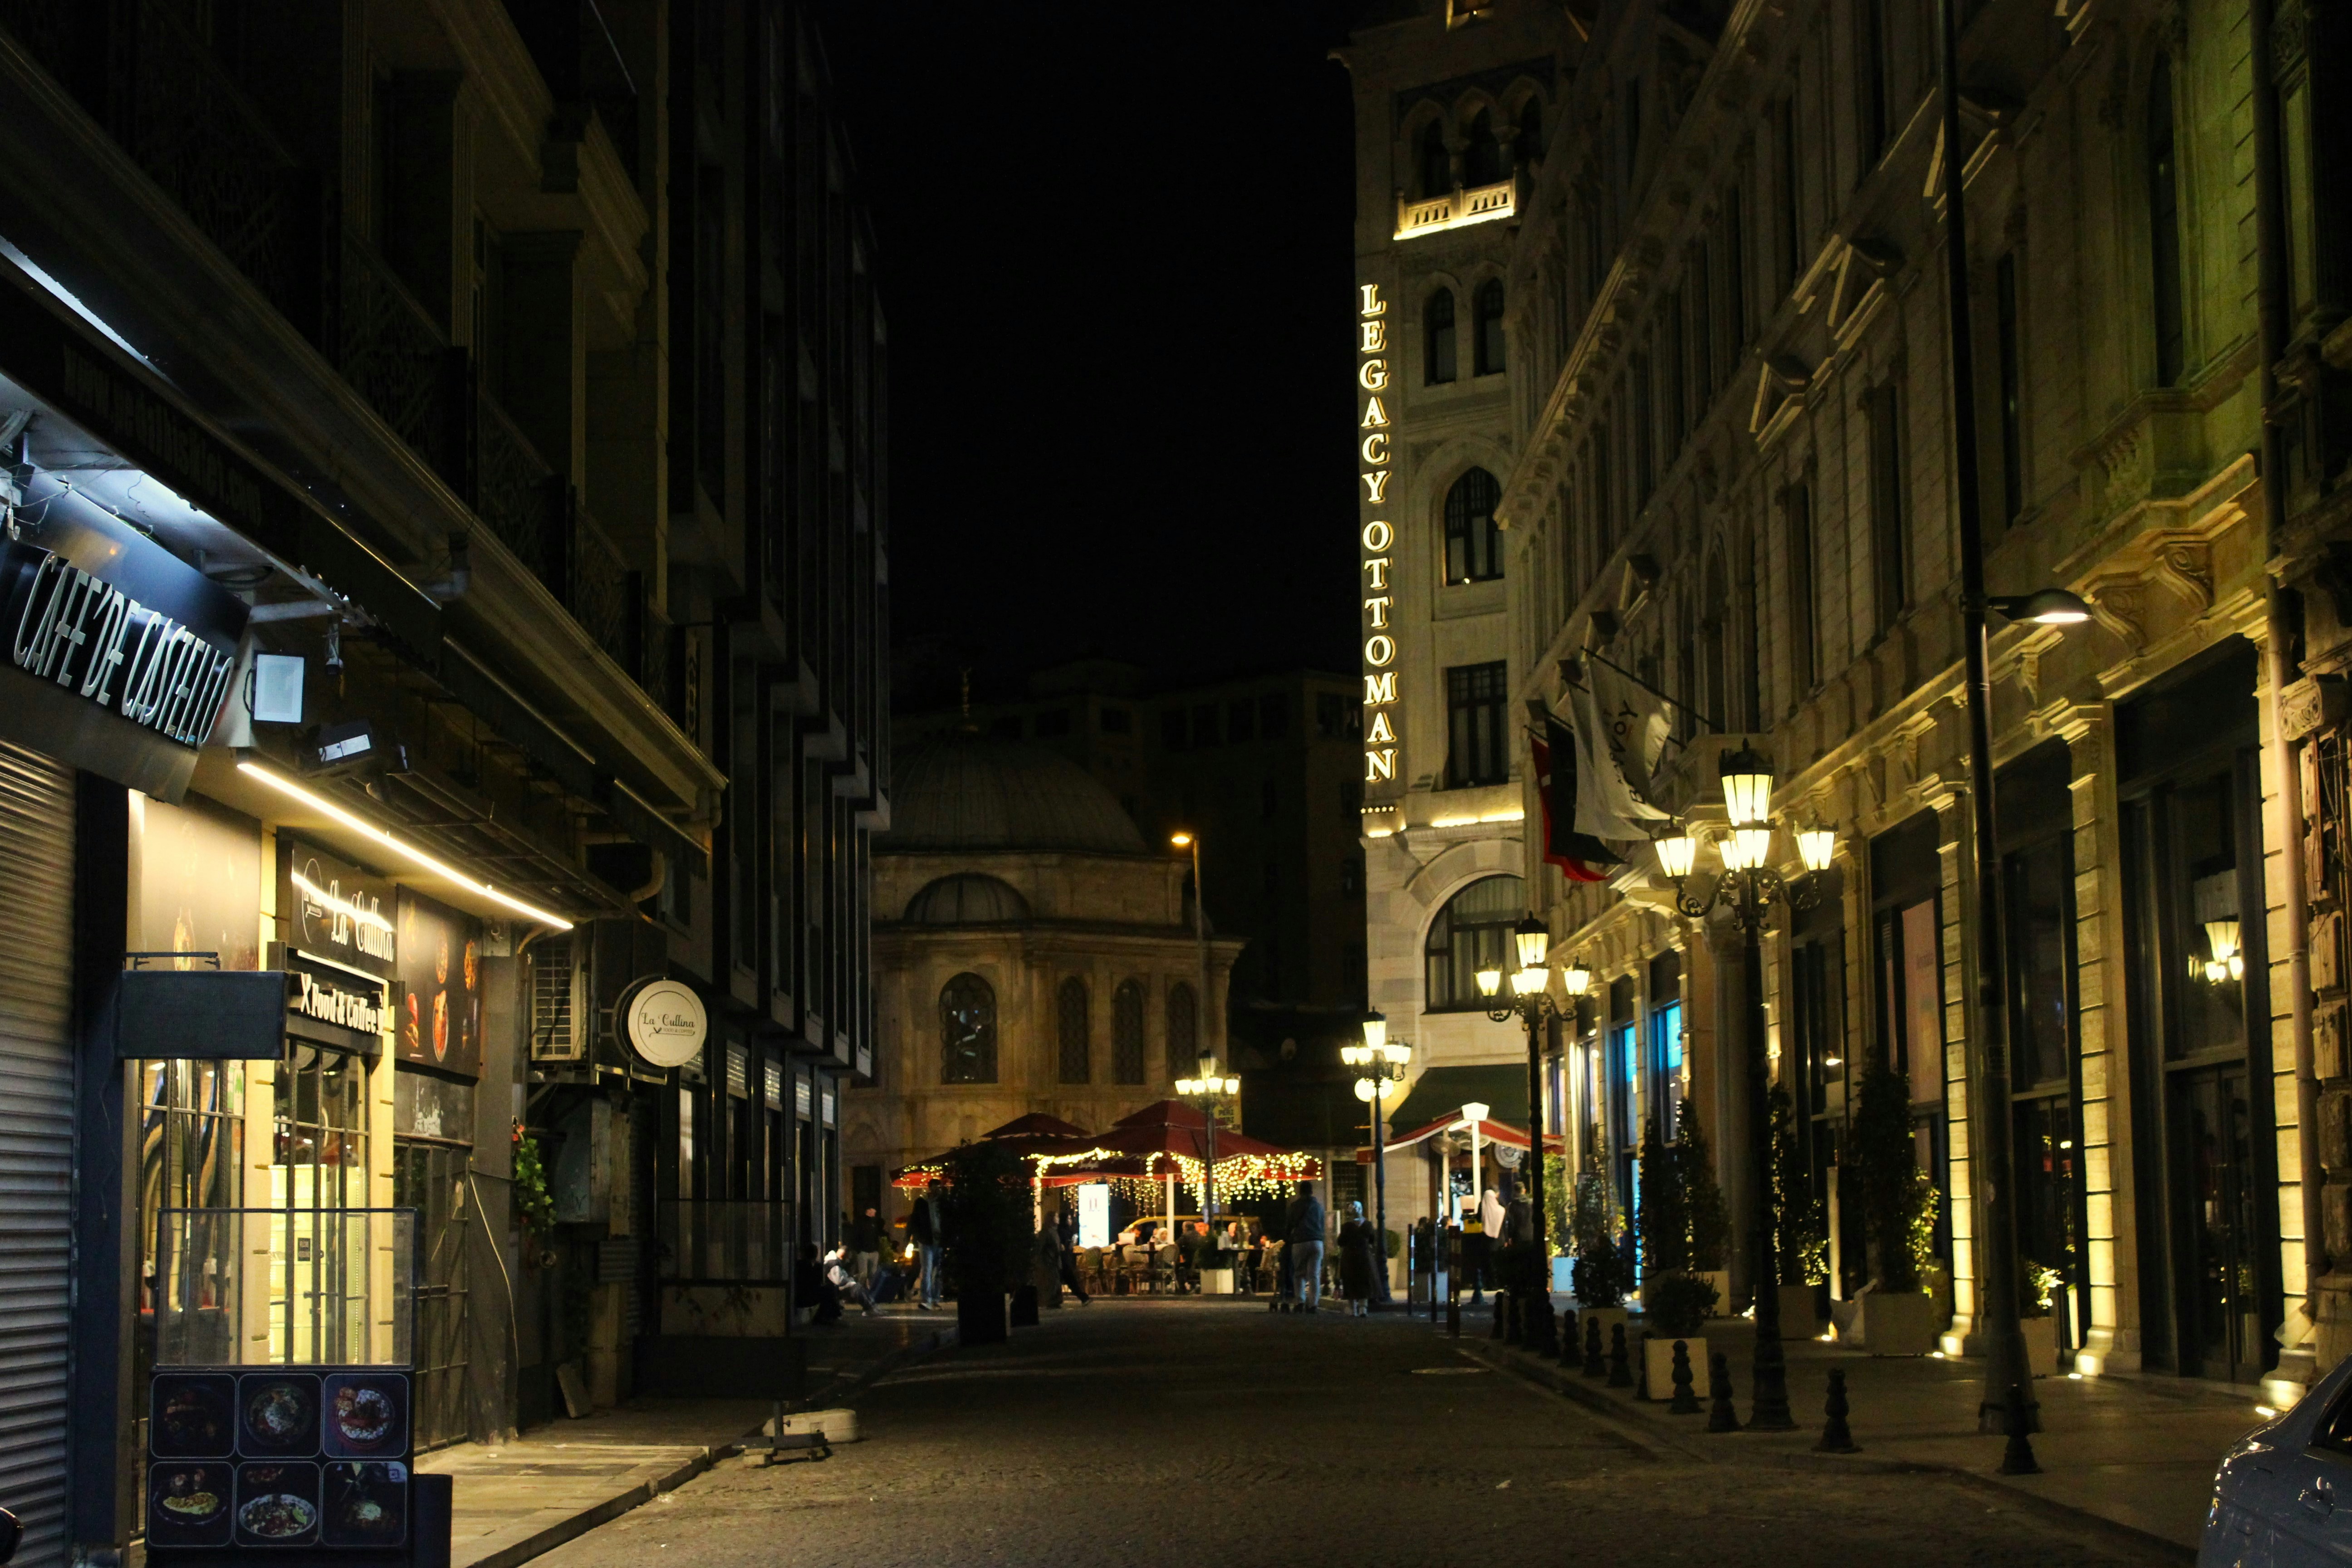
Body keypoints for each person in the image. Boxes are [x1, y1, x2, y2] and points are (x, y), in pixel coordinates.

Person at [1285, 1184, 1327, 1313]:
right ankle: (1313, 1304)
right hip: (1317, 1242)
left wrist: (1288, 1239)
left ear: (1300, 1192)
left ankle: (1300, 1302)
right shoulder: (1319, 1207)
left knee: (1299, 1274)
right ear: (1312, 1192)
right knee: (1314, 1275)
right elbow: (1323, 1226)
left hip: (1300, 1242)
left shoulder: (1295, 1206)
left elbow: (1290, 1224)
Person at [1338, 1200, 1378, 1317]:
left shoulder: (1347, 1226)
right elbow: (1373, 1240)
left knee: (1350, 1282)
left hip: (1350, 1256)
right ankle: (1363, 1309)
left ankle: (1353, 1308)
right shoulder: (1368, 1225)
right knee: (1364, 1282)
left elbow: (1341, 1242)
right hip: (1364, 1256)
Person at [794, 1242, 843, 1326]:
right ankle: (832, 1315)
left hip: (806, 1292)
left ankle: (827, 1316)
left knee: (826, 1292)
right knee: (827, 1292)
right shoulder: (816, 1266)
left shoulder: (801, 1265)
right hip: (806, 1293)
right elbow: (818, 1281)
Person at [909, 1193, 941, 1310]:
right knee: (928, 1270)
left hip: (935, 1241)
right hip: (927, 1241)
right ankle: (928, 1299)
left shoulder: (939, 1204)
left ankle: (934, 1298)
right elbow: (914, 1221)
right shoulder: (922, 1204)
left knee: (936, 1271)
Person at [1055, 1204, 1091, 1304]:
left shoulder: (1062, 1230)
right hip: (1063, 1260)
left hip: (1063, 1260)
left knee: (1065, 1280)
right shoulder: (1063, 1231)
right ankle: (1083, 1298)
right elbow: (1066, 1246)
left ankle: (1083, 1298)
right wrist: (1072, 1242)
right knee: (1070, 1280)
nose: (1070, 1221)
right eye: (1069, 1219)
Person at [850, 1205, 882, 1294]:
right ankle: (862, 1292)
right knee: (864, 1274)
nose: (875, 1213)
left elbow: (876, 1236)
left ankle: (869, 1292)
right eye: (873, 1211)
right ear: (868, 1211)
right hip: (864, 1251)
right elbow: (856, 1236)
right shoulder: (862, 1222)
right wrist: (859, 1249)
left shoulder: (873, 1222)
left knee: (872, 1273)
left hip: (872, 1251)